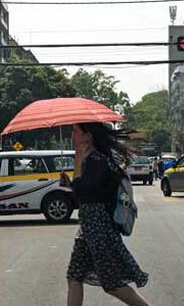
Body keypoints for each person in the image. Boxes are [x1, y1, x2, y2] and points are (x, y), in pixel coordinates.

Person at [59, 123, 150, 306]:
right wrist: (71, 183)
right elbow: (85, 194)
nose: (72, 134)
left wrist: (77, 162)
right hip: (87, 228)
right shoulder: (91, 159)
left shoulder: (97, 160)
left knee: (112, 284)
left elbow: (84, 193)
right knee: (74, 277)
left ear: (88, 136)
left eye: (76, 130)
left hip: (99, 228)